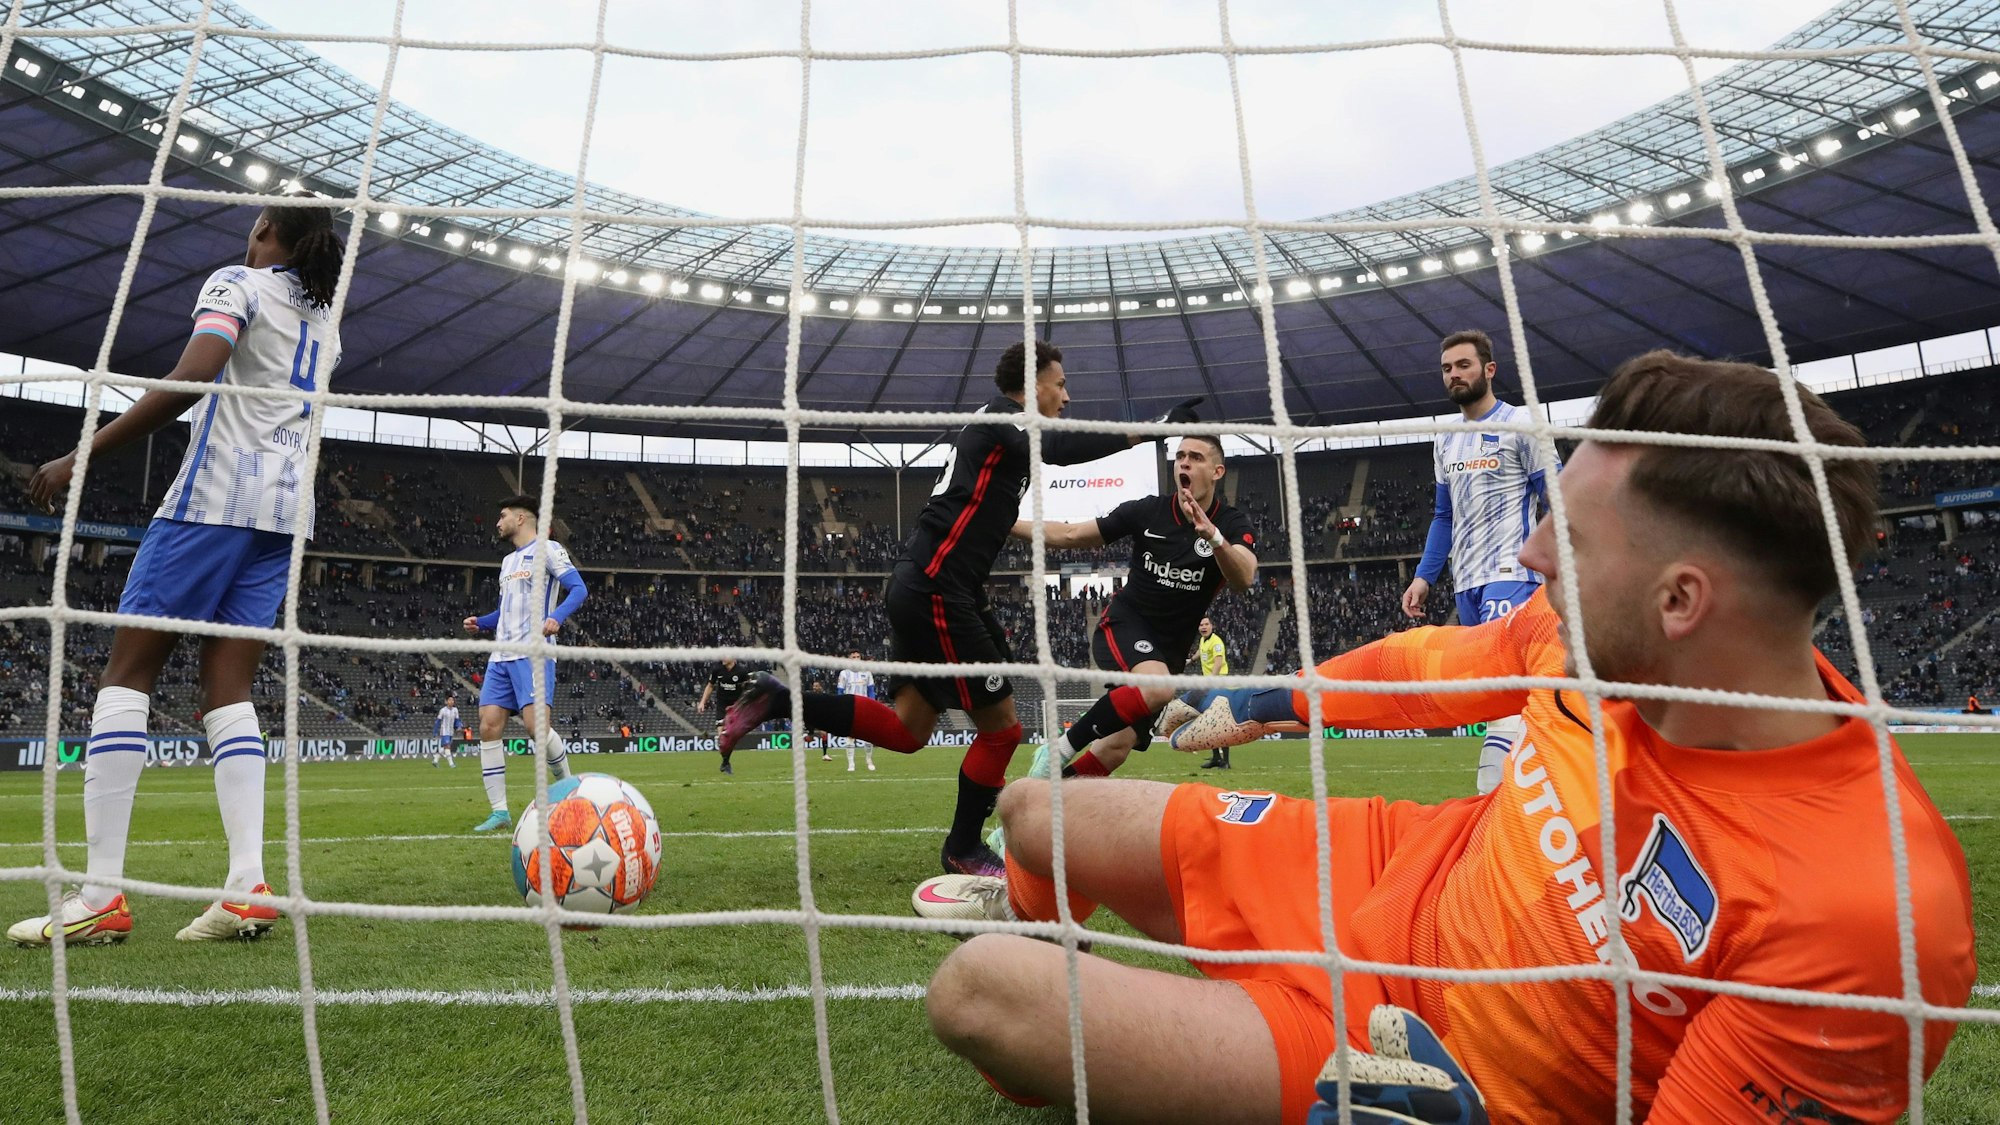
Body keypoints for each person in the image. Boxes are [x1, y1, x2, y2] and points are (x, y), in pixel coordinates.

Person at [920, 352, 1976, 1123]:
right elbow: (1418, 669)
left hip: (1417, 1067)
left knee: (978, 991)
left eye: (1567, 534)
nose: (1528, 551)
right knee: (1034, 809)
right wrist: (1262, 701)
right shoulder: (1573, 634)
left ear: (1679, 600)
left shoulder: (1868, 913)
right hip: (1378, 874)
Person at [720, 340, 1199, 877]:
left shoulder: (1001, 430)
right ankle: (964, 848)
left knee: (907, 731)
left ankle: (778, 701)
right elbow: (1062, 447)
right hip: (938, 590)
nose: (1067, 394)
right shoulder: (1005, 420)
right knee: (1003, 731)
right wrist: (1157, 426)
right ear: (1031, 383)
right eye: (1060, 384)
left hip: (933, 587)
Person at [8, 203, 346, 946]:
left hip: (212, 503)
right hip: (286, 517)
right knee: (227, 688)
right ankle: (248, 887)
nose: (247, 238)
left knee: (126, 674)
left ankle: (100, 895)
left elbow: (194, 376)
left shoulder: (240, 284)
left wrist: (82, 455)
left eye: (255, 227)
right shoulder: (325, 321)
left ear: (266, 236)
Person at [1009, 437, 1255, 782]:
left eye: (1195, 457)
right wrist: (1005, 524)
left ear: (1217, 471)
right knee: (1158, 686)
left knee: (1115, 746)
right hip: (1126, 625)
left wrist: (1213, 537)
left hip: (1169, 651)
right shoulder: (1147, 511)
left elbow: (1244, 578)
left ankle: (1041, 805)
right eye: (1180, 456)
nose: (1184, 463)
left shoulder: (1231, 524)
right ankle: (1058, 748)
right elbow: (1071, 534)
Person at [1400, 329, 1556, 794]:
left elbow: (1559, 498)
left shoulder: (1522, 427)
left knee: (1500, 685)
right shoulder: (1445, 441)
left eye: (1463, 365)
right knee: (1498, 696)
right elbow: (1443, 516)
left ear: (1488, 370)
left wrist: (1560, 564)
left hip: (1512, 575)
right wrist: (1425, 577)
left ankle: (1491, 796)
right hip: (1465, 582)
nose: (1454, 375)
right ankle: (1538, 789)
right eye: (1447, 368)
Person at [462, 495, 587, 832]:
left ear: (520, 519)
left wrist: (556, 617)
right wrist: (482, 622)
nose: (497, 522)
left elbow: (579, 589)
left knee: (536, 728)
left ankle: (568, 785)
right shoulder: (507, 562)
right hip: (502, 655)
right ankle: (500, 812)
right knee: (488, 724)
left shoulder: (549, 549)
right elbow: (506, 610)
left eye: (502, 516)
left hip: (533, 651)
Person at [697, 657, 750, 775]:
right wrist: (702, 702)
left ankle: (725, 762)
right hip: (722, 706)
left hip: (736, 707)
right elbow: (710, 686)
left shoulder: (742, 672)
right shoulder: (717, 670)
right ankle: (726, 763)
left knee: (731, 737)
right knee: (722, 738)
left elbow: (748, 689)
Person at [1195, 615, 1232, 770]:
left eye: (1206, 624)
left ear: (1212, 626)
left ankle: (1226, 761)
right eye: (1201, 625)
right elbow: (1200, 652)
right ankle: (1216, 757)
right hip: (1210, 682)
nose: (1203, 627)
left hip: (1218, 682)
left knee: (1221, 720)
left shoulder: (1216, 642)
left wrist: (1211, 680)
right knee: (1210, 720)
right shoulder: (1204, 640)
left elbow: (1218, 662)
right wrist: (1191, 659)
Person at [836, 651, 878, 771]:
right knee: (850, 736)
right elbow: (840, 691)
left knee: (868, 736)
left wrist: (872, 704)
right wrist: (841, 705)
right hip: (849, 706)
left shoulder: (867, 672)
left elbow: (871, 691)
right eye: (853, 657)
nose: (856, 659)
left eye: (858, 657)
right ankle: (851, 763)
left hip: (864, 707)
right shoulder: (844, 673)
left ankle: (869, 760)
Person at [432, 692, 460, 768]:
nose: (451, 702)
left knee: (445, 747)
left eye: (452, 700)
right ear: (446, 701)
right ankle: (451, 764)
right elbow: (438, 721)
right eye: (450, 700)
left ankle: (435, 760)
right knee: (447, 746)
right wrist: (435, 732)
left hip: (451, 731)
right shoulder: (443, 710)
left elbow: (457, 720)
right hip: (444, 731)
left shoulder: (455, 710)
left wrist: (458, 726)